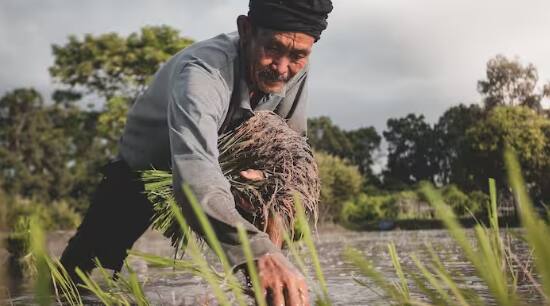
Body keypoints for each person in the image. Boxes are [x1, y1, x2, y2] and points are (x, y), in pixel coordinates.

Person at [60, 0, 333, 304]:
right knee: (85, 277)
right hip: (145, 172)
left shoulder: (295, 69)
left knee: (274, 202)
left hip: (229, 170)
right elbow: (196, 176)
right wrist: (258, 253)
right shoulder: (203, 73)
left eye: (297, 55)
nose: (282, 68)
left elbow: (292, 153)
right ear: (246, 30)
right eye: (272, 48)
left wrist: (270, 196)